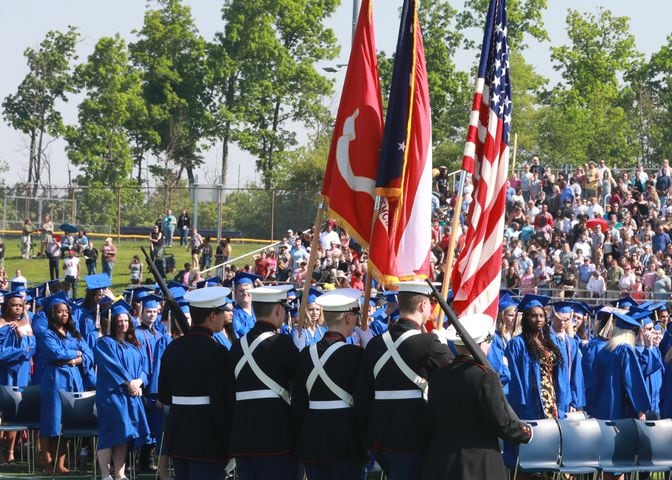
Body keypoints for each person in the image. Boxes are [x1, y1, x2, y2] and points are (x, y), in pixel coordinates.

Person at [353, 281, 453, 479]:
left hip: (380, 436)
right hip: (415, 436)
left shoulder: (375, 344)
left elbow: (362, 395)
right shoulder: (429, 343)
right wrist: (443, 345)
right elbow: (456, 377)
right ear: (423, 305)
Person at [422, 314, 532, 480]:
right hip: (478, 462)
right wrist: (525, 433)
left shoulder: (439, 374)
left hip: (442, 459)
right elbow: (499, 422)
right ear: (483, 343)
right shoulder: (485, 377)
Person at [291, 288, 367, 480]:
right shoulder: (356, 355)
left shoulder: (306, 354)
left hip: (312, 437)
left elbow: (298, 403)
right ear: (349, 318)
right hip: (345, 438)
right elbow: (364, 401)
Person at [158, 286, 234, 480]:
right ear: (212, 316)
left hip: (179, 435)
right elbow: (222, 402)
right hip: (208, 439)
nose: (225, 316)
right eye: (222, 312)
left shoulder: (173, 348)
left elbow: (165, 396)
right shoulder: (218, 352)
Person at [229, 284, 299, 480]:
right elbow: (300, 382)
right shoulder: (282, 343)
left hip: (243, 435)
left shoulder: (237, 347)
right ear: (278, 310)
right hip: (276, 435)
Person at [37, 295, 95, 475]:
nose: (64, 314)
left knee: (66, 423)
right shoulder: (46, 333)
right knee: (51, 421)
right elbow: (55, 352)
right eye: (60, 311)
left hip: (73, 378)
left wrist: (76, 360)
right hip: (55, 379)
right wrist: (76, 353)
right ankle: (47, 462)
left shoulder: (74, 333)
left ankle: (60, 464)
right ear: (51, 313)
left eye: (66, 311)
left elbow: (89, 354)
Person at [95, 300, 151, 480]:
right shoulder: (104, 343)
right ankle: (105, 475)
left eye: (126, 320)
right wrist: (129, 382)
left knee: (124, 434)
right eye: (119, 320)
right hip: (112, 396)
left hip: (131, 395)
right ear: (112, 321)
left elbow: (144, 367)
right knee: (109, 433)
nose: (123, 323)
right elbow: (112, 367)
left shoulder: (134, 344)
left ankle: (120, 474)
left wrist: (139, 381)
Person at [591, 311, 651, 420]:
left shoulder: (603, 351)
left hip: (599, 407)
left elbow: (593, 381)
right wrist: (641, 408)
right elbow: (633, 381)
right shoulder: (625, 350)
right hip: (617, 407)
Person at [0, 291, 36, 464]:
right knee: (2, 412)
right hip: (4, 371)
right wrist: (21, 351)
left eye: (21, 305)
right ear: (6, 306)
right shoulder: (0, 323)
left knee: (15, 411)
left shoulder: (26, 323)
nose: (18, 308)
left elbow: (32, 347)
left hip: (21, 372)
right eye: (14, 305)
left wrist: (22, 338)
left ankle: (11, 451)